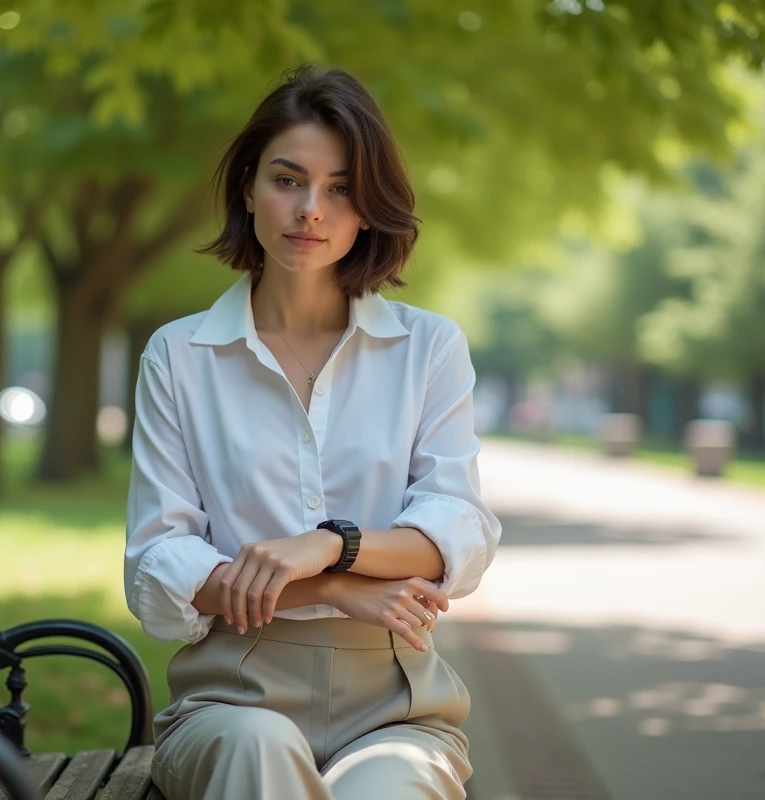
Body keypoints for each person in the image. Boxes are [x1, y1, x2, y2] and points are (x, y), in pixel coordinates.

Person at [124, 64, 502, 800]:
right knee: (258, 752)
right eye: (288, 180)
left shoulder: (428, 348)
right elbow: (162, 568)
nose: (310, 211)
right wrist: (333, 587)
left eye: (340, 189)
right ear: (248, 188)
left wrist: (332, 545)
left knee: (393, 787)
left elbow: (455, 532)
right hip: (232, 696)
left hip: (394, 704)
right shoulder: (179, 354)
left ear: (369, 208)